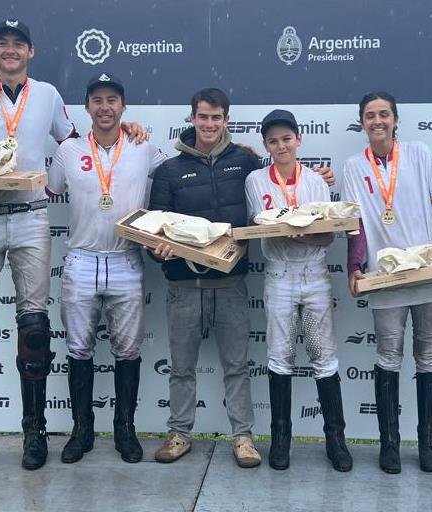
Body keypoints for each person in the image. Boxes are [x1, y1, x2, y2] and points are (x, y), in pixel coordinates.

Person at [0, 20, 143, 476]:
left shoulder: (47, 95)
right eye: (3, 44)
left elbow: (76, 145)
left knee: (34, 331)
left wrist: (126, 130)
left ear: (30, 51)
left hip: (31, 219)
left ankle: (35, 431)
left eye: (19, 45)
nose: (11, 51)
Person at [148, 88, 334, 468]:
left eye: (217, 117)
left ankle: (243, 437)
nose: (210, 124)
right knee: (181, 368)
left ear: (226, 120)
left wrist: (318, 177)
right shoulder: (168, 169)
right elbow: (156, 226)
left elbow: (281, 180)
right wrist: (157, 248)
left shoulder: (246, 161)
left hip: (231, 284)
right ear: (192, 118)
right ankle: (180, 433)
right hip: (183, 287)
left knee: (237, 367)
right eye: (203, 117)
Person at [340, 91, 432, 474]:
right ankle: (389, 444)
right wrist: (354, 265)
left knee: (428, 357)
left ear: (395, 119)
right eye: (370, 115)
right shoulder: (354, 166)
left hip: (428, 273)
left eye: (384, 114)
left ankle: (428, 443)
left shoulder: (419, 154)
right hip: (386, 278)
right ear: (362, 122)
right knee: (388, 356)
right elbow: (355, 223)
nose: (377, 121)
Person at [46, 72, 165, 464]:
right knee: (78, 349)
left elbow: (180, 172)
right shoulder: (69, 151)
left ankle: (124, 431)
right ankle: (82, 431)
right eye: (97, 100)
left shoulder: (143, 145)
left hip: (127, 261)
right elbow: (50, 189)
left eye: (112, 100)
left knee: (127, 350)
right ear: (87, 108)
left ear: (123, 106)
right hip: (81, 259)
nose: (105, 107)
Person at [244, 109, 352, 471]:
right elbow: (259, 226)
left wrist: (298, 229)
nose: (281, 145)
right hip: (278, 274)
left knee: (324, 356)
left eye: (286, 138)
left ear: (298, 139)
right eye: (273, 140)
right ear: (266, 145)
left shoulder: (317, 182)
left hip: (314, 273)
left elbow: (328, 235)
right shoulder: (256, 180)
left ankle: (336, 441)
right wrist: (290, 228)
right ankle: (280, 441)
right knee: (279, 357)